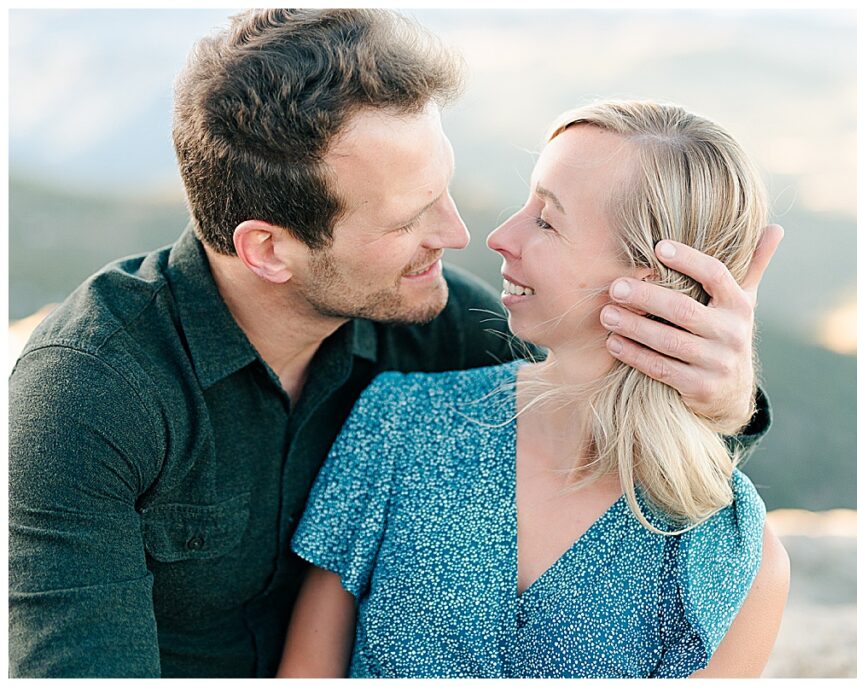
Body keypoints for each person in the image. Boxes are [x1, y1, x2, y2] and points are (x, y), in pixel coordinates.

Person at [8, 10, 781, 679]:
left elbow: (596, 410)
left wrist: (728, 400)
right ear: (269, 249)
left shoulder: (444, 328)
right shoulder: (88, 398)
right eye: (409, 217)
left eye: (445, 189)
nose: (458, 233)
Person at [277, 100, 789, 679]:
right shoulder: (399, 422)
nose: (498, 237)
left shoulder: (734, 551)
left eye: (546, 220)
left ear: (647, 273)